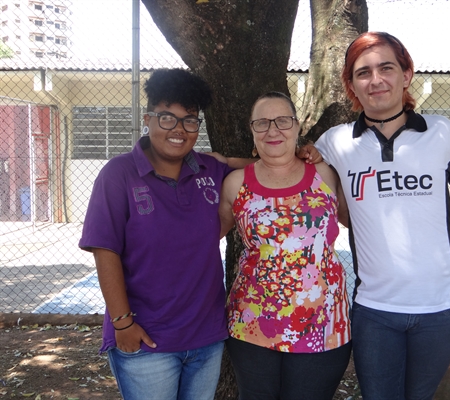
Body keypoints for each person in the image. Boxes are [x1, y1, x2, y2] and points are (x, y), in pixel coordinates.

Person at [314, 32, 450, 400]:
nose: (375, 80)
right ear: (351, 85)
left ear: (406, 75)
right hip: (374, 310)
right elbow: (289, 171)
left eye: (386, 68)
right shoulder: (335, 142)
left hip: (441, 306)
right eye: (363, 73)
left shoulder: (441, 132)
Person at [79, 68, 233, 400]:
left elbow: (263, 168)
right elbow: (105, 251)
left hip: (206, 337)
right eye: (167, 118)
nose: (178, 130)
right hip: (147, 339)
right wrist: (122, 324)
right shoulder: (118, 174)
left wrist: (305, 154)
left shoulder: (210, 170)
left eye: (189, 120)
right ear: (148, 119)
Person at [218, 91, 352, 400]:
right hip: (252, 324)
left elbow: (363, 220)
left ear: (296, 126)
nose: (273, 130)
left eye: (282, 120)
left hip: (323, 323)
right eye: (262, 123)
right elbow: (203, 237)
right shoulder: (235, 183)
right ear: (252, 130)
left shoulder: (326, 174)